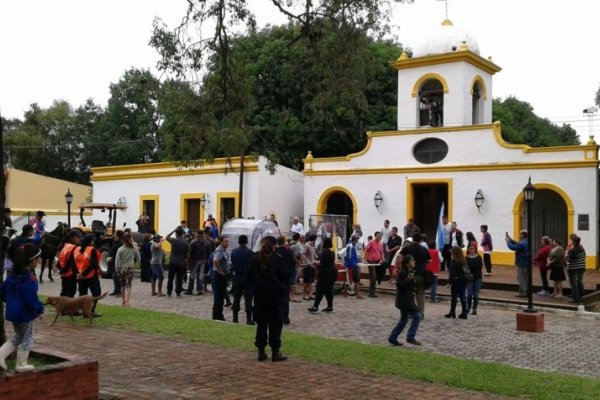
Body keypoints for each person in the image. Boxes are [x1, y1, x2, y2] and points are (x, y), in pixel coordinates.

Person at [0, 243, 45, 372]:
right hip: (25, 314)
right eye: (38, 259)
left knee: (18, 336)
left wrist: (11, 302)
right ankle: (21, 364)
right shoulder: (29, 278)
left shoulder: (11, 277)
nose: (39, 261)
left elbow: (2, 292)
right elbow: (30, 297)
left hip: (12, 313)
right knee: (28, 337)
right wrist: (40, 309)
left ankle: (1, 355)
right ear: (32, 261)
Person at [248, 236, 288, 362]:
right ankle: (275, 352)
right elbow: (285, 277)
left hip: (260, 297)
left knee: (261, 324)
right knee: (275, 325)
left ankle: (261, 351)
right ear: (274, 246)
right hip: (274, 297)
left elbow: (250, 277)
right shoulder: (277, 259)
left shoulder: (254, 259)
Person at [388, 254, 422, 346]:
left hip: (407, 299)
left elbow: (411, 285)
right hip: (404, 300)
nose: (414, 262)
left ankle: (392, 338)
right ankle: (410, 337)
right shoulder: (403, 272)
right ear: (408, 263)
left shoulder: (410, 272)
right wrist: (408, 279)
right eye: (412, 261)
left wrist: (415, 289)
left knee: (404, 319)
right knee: (417, 316)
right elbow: (399, 285)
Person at [399, 233, 431, 316]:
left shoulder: (407, 248)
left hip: (409, 273)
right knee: (420, 294)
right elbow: (429, 260)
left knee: (409, 293)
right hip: (420, 274)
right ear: (421, 240)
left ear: (412, 239)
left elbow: (400, 256)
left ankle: (410, 312)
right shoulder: (424, 249)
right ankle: (421, 312)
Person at [74, 234, 102, 317]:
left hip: (80, 276)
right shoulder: (91, 250)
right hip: (90, 276)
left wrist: (79, 274)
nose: (94, 242)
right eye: (93, 240)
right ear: (90, 241)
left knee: (82, 294)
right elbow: (93, 264)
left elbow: (75, 263)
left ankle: (84, 312)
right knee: (96, 293)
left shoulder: (77, 249)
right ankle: (91, 311)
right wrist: (84, 273)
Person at [231, 235, 255, 324]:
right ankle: (249, 319)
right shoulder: (250, 253)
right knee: (248, 299)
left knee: (236, 298)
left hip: (237, 277)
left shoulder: (234, 252)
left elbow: (233, 264)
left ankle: (235, 318)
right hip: (247, 278)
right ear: (247, 242)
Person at [308, 237, 336, 312]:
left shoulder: (325, 251)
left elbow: (321, 262)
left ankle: (315, 307)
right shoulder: (331, 251)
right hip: (332, 273)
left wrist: (314, 262)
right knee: (328, 290)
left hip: (325, 273)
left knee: (320, 289)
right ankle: (330, 307)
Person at [115, 232, 140, 307]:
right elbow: (138, 258)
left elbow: (117, 261)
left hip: (122, 268)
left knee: (122, 285)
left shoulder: (120, 249)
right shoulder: (133, 248)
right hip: (130, 268)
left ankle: (123, 300)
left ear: (122, 240)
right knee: (129, 286)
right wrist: (135, 264)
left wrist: (117, 270)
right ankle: (127, 302)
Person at [276, 236, 296, 325]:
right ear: (284, 242)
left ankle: (278, 316)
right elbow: (293, 262)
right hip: (286, 277)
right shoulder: (288, 251)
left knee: (277, 298)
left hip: (277, 278)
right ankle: (285, 317)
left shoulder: (275, 252)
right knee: (285, 298)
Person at [445, 246, 469, 319]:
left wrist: (449, 282)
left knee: (454, 297)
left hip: (456, 280)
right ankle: (464, 313)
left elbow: (452, 273)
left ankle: (452, 312)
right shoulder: (463, 260)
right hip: (464, 280)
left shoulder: (453, 261)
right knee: (462, 297)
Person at [166, 227, 190, 297]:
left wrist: (173, 230)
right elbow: (188, 255)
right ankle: (178, 292)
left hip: (172, 261)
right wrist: (187, 262)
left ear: (176, 234)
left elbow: (167, 237)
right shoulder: (186, 243)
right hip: (181, 263)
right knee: (179, 278)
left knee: (170, 277)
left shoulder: (173, 240)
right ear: (182, 234)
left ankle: (169, 291)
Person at [56, 230, 81, 298]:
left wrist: (62, 270)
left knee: (64, 292)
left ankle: (61, 307)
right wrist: (77, 275)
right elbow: (73, 263)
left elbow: (59, 261)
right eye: (78, 237)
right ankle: (66, 308)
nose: (79, 238)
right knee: (70, 293)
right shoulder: (74, 248)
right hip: (70, 274)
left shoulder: (65, 246)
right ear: (72, 238)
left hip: (64, 274)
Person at [212, 236, 231, 321]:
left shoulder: (223, 251)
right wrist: (220, 271)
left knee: (220, 297)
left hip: (222, 276)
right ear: (221, 242)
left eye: (228, 242)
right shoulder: (219, 251)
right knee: (219, 297)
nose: (227, 243)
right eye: (226, 242)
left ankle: (219, 314)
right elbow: (215, 260)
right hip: (219, 276)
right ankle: (217, 316)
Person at [186, 229, 210, 295]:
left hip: (194, 260)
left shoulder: (193, 242)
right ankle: (200, 290)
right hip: (203, 260)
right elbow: (209, 252)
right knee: (200, 276)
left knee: (192, 275)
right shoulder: (207, 242)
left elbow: (189, 252)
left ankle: (190, 290)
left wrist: (188, 261)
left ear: (197, 234)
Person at [506, 230, 529, 297]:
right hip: (526, 262)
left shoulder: (522, 243)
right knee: (525, 278)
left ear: (523, 235)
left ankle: (523, 293)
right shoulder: (526, 241)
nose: (519, 235)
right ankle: (526, 291)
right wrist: (510, 239)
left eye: (520, 234)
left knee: (521, 278)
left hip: (521, 263)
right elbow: (517, 244)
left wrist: (508, 241)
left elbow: (512, 247)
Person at [566, 235, 586, 304]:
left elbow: (569, 260)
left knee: (574, 284)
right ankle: (582, 297)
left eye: (571, 241)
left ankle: (576, 299)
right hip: (581, 268)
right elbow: (584, 256)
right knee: (580, 283)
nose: (570, 242)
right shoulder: (581, 249)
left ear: (574, 242)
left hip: (574, 269)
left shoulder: (573, 250)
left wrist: (568, 251)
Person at [365, 231, 384, 298]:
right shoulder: (371, 242)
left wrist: (382, 260)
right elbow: (366, 251)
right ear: (375, 236)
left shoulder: (380, 244)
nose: (379, 237)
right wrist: (365, 260)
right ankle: (371, 292)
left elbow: (381, 253)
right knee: (373, 276)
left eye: (380, 236)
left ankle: (373, 291)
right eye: (378, 235)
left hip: (377, 261)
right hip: (371, 261)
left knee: (375, 276)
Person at [465, 243, 483, 315]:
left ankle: (474, 308)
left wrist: (471, 266)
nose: (472, 250)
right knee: (469, 294)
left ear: (475, 249)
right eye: (470, 249)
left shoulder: (479, 257)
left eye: (473, 249)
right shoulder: (466, 258)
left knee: (476, 294)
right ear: (468, 250)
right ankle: (468, 307)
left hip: (478, 278)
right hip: (469, 278)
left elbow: (479, 266)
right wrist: (473, 266)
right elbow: (466, 267)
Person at [343, 234, 362, 299]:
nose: (358, 240)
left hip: (353, 264)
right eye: (357, 239)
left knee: (356, 279)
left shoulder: (353, 245)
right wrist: (354, 264)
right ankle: (345, 293)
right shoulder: (350, 246)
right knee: (348, 280)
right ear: (355, 239)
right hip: (350, 265)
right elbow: (349, 257)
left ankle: (357, 294)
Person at [108, 230, 124, 296]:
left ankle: (119, 291)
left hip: (117, 261)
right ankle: (116, 290)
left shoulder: (120, 243)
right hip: (113, 261)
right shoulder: (115, 241)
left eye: (115, 233)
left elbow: (118, 254)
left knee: (117, 276)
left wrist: (112, 258)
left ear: (117, 235)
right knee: (114, 276)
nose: (113, 234)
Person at [302, 234, 317, 301]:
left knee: (311, 281)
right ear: (313, 239)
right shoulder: (306, 245)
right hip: (307, 266)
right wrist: (307, 261)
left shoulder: (313, 246)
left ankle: (310, 294)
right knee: (306, 281)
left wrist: (317, 258)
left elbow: (314, 255)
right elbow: (302, 254)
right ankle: (305, 295)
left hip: (312, 265)